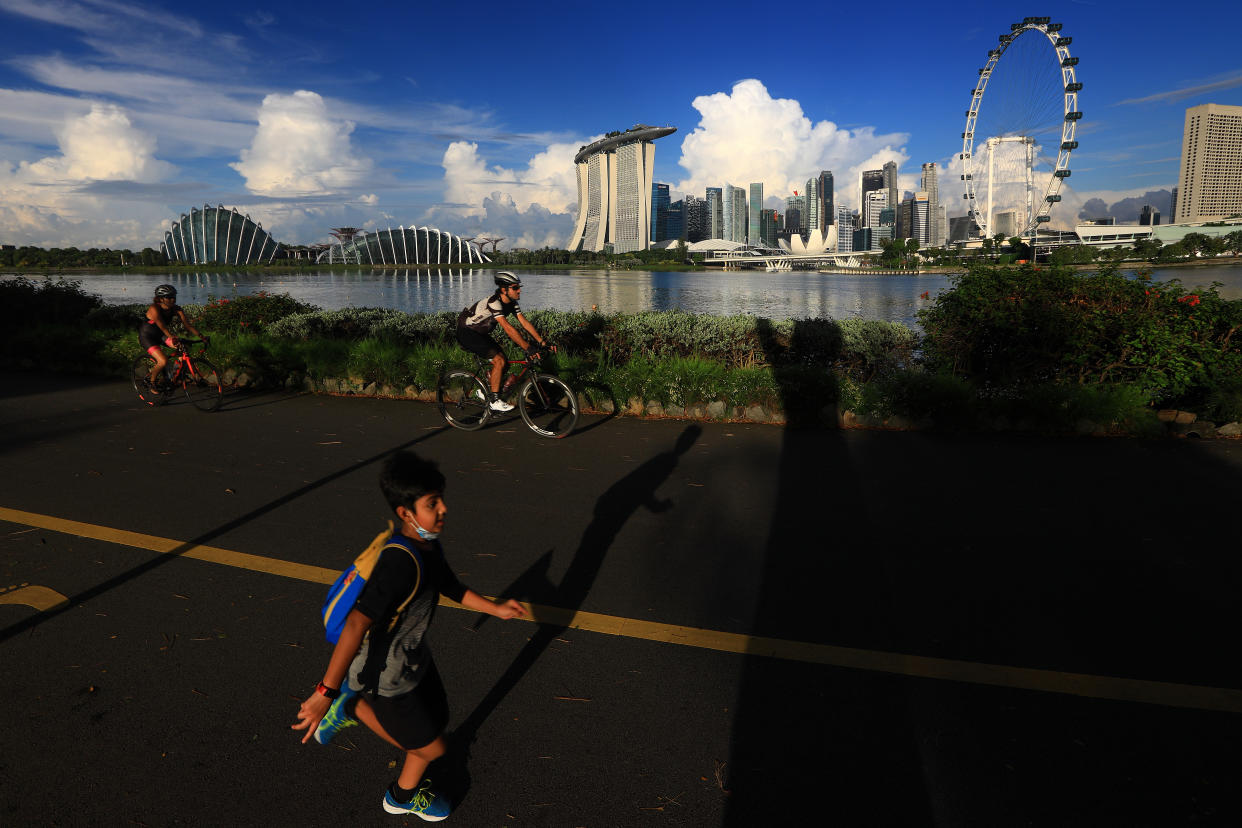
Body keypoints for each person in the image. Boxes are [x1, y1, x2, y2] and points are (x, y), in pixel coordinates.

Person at [291, 451, 527, 820]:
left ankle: (402, 796)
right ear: (405, 513)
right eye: (433, 503)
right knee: (431, 749)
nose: (444, 508)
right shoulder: (400, 563)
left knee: (437, 722)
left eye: (441, 498)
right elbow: (355, 624)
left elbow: (449, 585)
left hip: (414, 656)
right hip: (385, 675)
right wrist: (326, 693)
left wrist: (495, 608)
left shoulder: (427, 544)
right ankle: (351, 707)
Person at [455, 272, 553, 412]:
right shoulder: (495, 302)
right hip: (466, 332)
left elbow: (524, 322)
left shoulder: (512, 303)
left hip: (479, 333)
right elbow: (507, 327)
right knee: (499, 361)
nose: (519, 290)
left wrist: (541, 342)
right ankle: (494, 401)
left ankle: (485, 393)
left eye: (518, 287)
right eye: (515, 287)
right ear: (504, 290)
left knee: (504, 363)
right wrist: (527, 348)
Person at [139, 284, 205, 387]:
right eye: (169, 297)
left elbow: (188, 326)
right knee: (163, 361)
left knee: (183, 348)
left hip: (161, 336)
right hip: (147, 337)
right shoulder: (154, 308)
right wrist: (172, 337)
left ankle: (174, 375)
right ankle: (152, 383)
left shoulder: (176, 309)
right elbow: (162, 326)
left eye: (174, 296)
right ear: (160, 299)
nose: (173, 299)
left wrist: (202, 336)